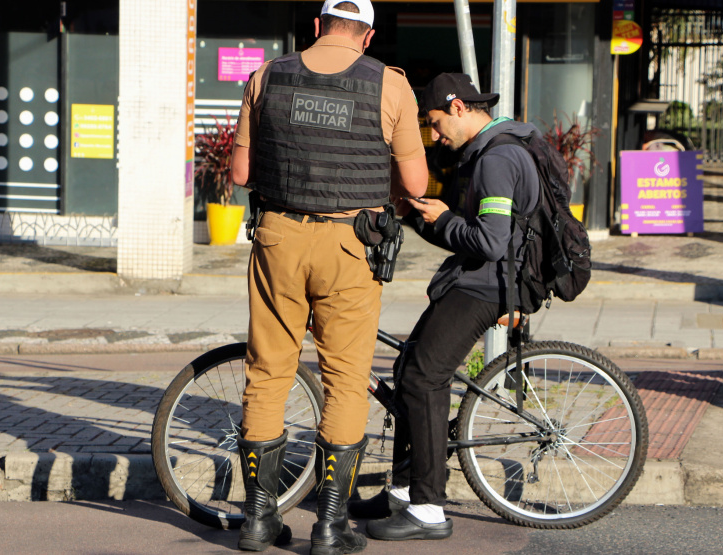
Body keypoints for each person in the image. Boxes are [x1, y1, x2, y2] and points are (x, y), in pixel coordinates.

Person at [229, 0, 428, 552]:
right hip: (350, 245)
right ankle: (330, 525)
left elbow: (242, 172)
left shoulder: (267, 75)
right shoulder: (390, 85)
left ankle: (259, 521)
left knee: (268, 372)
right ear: (366, 37)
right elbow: (415, 183)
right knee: (345, 379)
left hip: (278, 237)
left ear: (315, 27)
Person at [355, 73, 541, 541]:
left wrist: (446, 218)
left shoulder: (497, 159)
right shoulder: (482, 153)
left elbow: (491, 242)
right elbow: (464, 235)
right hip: (471, 277)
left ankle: (429, 510)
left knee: (424, 378)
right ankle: (401, 490)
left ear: (459, 109)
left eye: (436, 124)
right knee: (408, 370)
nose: (435, 136)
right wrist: (417, 215)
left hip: (487, 287)